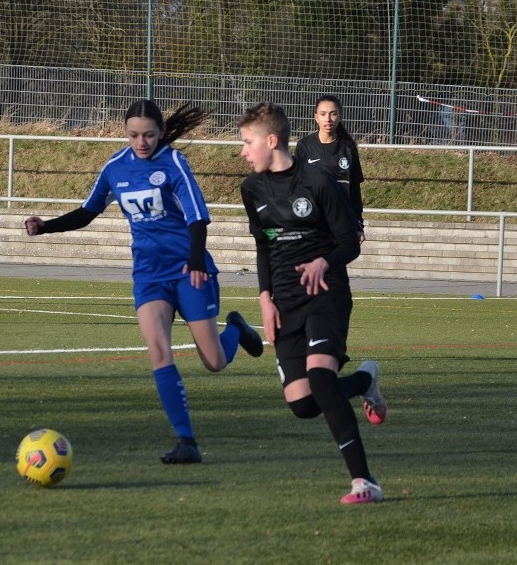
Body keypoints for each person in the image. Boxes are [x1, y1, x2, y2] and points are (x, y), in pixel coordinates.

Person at [24, 99, 263, 464]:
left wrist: (195, 259)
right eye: (134, 135)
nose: (141, 142)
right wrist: (46, 227)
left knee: (214, 361)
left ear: (160, 132)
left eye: (149, 135)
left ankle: (236, 328)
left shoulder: (173, 163)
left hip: (188, 269)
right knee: (158, 350)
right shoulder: (115, 168)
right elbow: (87, 212)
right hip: (149, 275)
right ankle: (186, 441)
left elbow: (198, 217)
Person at [236, 102, 387, 504]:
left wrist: (324, 261)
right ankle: (365, 381)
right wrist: (265, 299)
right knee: (303, 404)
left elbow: (350, 243)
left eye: (248, 142)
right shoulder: (251, 189)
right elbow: (263, 248)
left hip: (326, 294)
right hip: (285, 302)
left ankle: (364, 482)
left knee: (321, 381)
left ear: (272, 141)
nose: (243, 152)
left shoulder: (317, 181)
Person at [294, 94, 366, 242]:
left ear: (340, 116)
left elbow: (354, 191)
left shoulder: (348, 148)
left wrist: (359, 225)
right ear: (316, 117)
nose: (328, 119)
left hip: (342, 224)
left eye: (333, 114)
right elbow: (296, 188)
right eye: (323, 114)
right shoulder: (304, 146)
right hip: (313, 224)